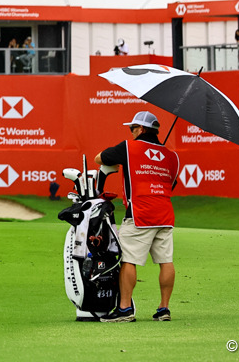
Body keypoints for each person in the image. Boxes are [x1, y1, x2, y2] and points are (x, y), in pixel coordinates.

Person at [94, 110, 179, 323]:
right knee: (165, 261)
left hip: (140, 213)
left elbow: (99, 158)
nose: (131, 132)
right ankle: (164, 309)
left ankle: (124, 309)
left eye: (132, 129)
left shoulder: (128, 148)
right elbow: (171, 184)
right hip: (165, 215)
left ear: (141, 129)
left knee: (129, 259)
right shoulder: (172, 156)